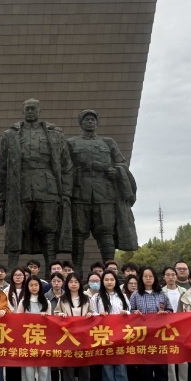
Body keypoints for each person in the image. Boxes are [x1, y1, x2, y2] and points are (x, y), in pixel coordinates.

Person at [0, 98, 73, 270]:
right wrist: (2, 196)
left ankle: (51, 269)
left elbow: (66, 165)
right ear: (23, 111)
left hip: (48, 187)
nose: (30, 111)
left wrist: (66, 192)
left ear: (40, 111)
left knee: (48, 228)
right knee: (16, 227)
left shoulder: (55, 134)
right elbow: (2, 168)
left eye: (33, 109)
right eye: (27, 109)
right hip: (20, 187)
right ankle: (12, 269)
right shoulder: (10, 135)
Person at [67, 109, 137, 269]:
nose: (90, 122)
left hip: (104, 195)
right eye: (86, 119)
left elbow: (121, 164)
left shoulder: (108, 143)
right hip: (80, 194)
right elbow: (64, 166)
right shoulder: (71, 143)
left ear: (97, 123)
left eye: (92, 119)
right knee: (78, 233)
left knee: (106, 232)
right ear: (80, 123)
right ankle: (76, 271)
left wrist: (116, 171)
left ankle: (110, 269)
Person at [129, 266, 172, 381]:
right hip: (144, 337)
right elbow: (129, 313)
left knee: (162, 369)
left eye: (151, 276)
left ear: (155, 278)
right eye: (145, 276)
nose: (148, 279)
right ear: (141, 278)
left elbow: (170, 311)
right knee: (146, 369)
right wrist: (135, 313)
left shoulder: (162, 294)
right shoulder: (136, 295)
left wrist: (165, 313)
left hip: (160, 336)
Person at [90, 270, 130, 381]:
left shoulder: (123, 296)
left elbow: (129, 312)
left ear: (115, 281)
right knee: (107, 368)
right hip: (105, 335)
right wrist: (99, 315)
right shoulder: (96, 298)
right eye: (106, 279)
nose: (109, 282)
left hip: (120, 336)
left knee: (121, 368)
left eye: (111, 279)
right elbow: (92, 314)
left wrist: (125, 313)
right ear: (102, 281)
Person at [54, 272, 93, 381]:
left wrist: (90, 314)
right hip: (68, 338)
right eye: (71, 282)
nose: (73, 284)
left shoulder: (87, 298)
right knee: (68, 369)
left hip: (84, 337)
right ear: (67, 284)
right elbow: (55, 313)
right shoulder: (63, 299)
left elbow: (94, 313)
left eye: (76, 282)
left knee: (84, 369)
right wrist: (60, 314)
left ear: (80, 284)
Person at [18, 276, 52, 381]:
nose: (33, 287)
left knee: (44, 370)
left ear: (40, 286)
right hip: (27, 341)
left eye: (36, 285)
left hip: (43, 340)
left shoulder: (46, 302)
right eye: (31, 285)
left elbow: (52, 322)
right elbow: (17, 321)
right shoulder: (23, 302)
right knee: (28, 371)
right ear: (27, 287)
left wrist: (46, 318)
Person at [161, 266, 188, 381]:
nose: (171, 277)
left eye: (173, 274)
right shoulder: (160, 292)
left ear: (176, 276)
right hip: (167, 327)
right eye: (168, 275)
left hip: (182, 326)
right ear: (164, 277)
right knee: (170, 358)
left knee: (183, 358)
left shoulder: (184, 291)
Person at [5, 266, 28, 381]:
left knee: (24, 358)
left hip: (26, 329)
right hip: (11, 329)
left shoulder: (29, 290)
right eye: (16, 275)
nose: (18, 277)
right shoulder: (6, 291)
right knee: (12, 357)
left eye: (20, 275)